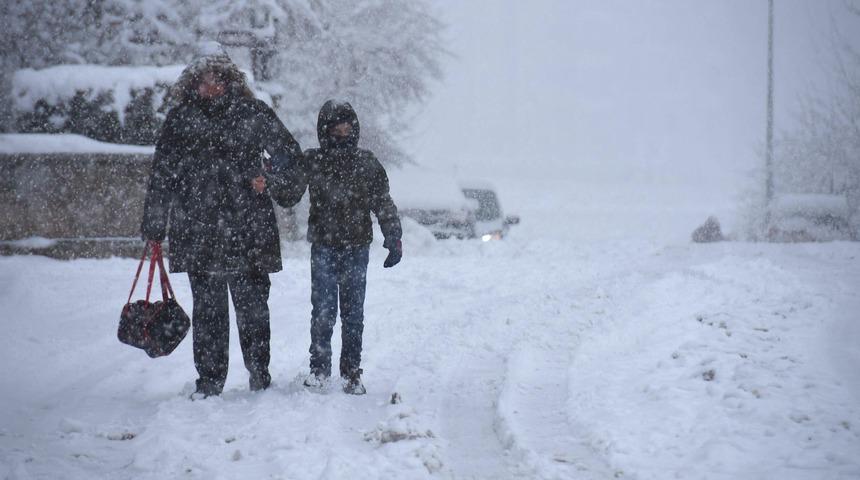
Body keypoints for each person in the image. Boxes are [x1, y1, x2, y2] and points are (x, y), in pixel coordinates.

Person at [140, 43, 302, 398]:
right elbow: (162, 175)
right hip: (199, 230)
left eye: (216, 78)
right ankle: (210, 381)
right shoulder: (180, 120)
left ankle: (259, 373)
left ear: (229, 80)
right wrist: (154, 225)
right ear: (192, 83)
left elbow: (291, 157)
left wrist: (271, 180)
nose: (210, 86)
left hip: (249, 228)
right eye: (203, 80)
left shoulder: (254, 114)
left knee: (254, 310)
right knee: (209, 312)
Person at [269, 100, 402, 395]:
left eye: (347, 127)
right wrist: (273, 176)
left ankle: (352, 372)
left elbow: (383, 202)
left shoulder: (367, 162)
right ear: (324, 131)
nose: (343, 133)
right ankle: (319, 369)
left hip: (357, 247)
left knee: (353, 312)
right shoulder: (313, 161)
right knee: (323, 310)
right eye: (336, 128)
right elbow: (289, 196)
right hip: (324, 247)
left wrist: (393, 236)